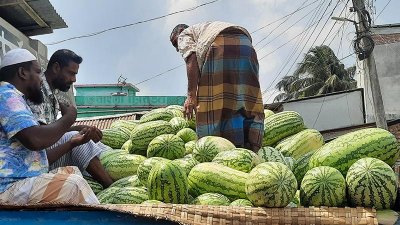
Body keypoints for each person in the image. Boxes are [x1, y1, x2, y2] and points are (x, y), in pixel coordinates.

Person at [0, 48, 99, 204]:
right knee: (74, 185)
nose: (41, 79)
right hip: (7, 187)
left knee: (72, 172)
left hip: (20, 182)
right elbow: (35, 140)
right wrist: (69, 118)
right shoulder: (5, 95)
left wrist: (72, 143)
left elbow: (39, 157)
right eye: (38, 72)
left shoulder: (16, 99)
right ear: (22, 73)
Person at [170, 21, 265, 151]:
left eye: (175, 43)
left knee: (211, 106)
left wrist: (191, 96)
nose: (177, 48)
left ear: (179, 34)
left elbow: (191, 58)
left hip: (220, 45)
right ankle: (252, 147)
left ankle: (213, 150)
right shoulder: (205, 29)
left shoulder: (185, 35)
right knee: (245, 100)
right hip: (246, 45)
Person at [27, 49, 113, 188]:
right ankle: (112, 188)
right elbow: (40, 137)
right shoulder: (37, 90)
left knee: (90, 139)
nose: (74, 79)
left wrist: (75, 128)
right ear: (56, 68)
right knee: (76, 139)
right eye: (71, 73)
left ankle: (124, 176)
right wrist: (69, 119)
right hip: (35, 160)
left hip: (46, 152)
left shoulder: (51, 94)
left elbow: (51, 131)